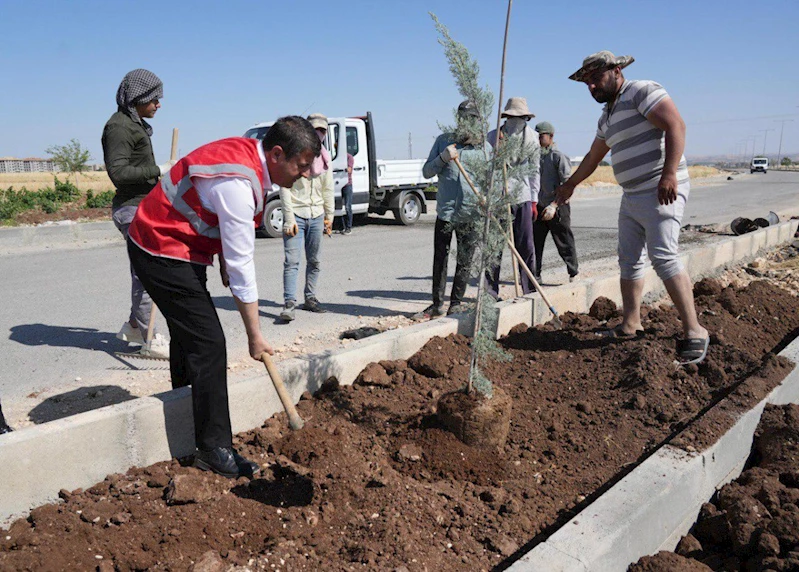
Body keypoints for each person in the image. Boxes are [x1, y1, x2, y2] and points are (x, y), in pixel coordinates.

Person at [127, 116, 321, 478]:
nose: (307, 174)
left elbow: (218, 227)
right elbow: (242, 267)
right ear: (277, 154)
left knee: (192, 335)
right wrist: (255, 335)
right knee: (210, 343)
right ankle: (214, 448)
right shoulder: (239, 183)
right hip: (159, 246)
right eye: (303, 165)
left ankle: (188, 408)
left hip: (181, 244)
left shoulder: (251, 160)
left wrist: (219, 255)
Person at [555, 51, 709, 364]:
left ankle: (695, 330)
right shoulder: (607, 115)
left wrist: (668, 175)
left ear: (616, 71)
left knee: (664, 257)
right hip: (632, 195)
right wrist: (570, 184)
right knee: (628, 259)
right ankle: (630, 323)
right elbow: (593, 157)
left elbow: (675, 126)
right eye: (587, 82)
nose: (592, 87)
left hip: (659, 190)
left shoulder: (641, 91)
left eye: (596, 78)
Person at [102, 69, 173, 358]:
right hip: (131, 208)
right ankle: (148, 335)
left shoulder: (135, 123)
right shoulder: (119, 127)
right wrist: (159, 170)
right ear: (138, 98)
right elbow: (118, 172)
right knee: (146, 273)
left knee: (144, 271)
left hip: (144, 206)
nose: (159, 104)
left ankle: (134, 325)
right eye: (154, 98)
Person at [415, 100, 485, 319]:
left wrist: (487, 198)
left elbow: (492, 179)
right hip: (446, 212)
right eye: (464, 118)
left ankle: (456, 303)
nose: (467, 123)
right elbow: (427, 172)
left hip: (471, 213)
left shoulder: (484, 148)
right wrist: (443, 158)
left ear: (477, 120)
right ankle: (436, 304)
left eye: (472, 119)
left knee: (465, 260)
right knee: (440, 259)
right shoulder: (443, 141)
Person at [278, 113, 335, 321]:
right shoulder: (294, 155)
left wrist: (329, 216)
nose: (318, 135)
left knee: (315, 260)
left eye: (322, 131)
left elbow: (328, 190)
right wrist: (289, 218)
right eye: (314, 130)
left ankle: (310, 299)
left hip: (317, 214)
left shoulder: (325, 159)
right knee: (292, 261)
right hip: (297, 214)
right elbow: (284, 187)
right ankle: (289, 303)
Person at [485, 97, 540, 298]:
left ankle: (529, 289)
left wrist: (534, 199)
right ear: (506, 117)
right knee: (493, 248)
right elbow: (486, 169)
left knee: (525, 246)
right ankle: (490, 293)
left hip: (523, 196)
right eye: (513, 117)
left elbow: (535, 170)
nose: (517, 121)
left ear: (526, 117)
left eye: (521, 118)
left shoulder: (533, 138)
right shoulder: (493, 137)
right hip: (499, 197)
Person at [534, 121, 578, 283]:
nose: (538, 139)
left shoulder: (558, 157)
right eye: (536, 136)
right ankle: (535, 275)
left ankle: (573, 272)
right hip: (539, 206)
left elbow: (567, 186)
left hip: (558, 207)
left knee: (563, 240)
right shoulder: (535, 157)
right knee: (535, 243)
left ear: (551, 136)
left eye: (541, 136)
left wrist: (554, 205)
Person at [340, 152, 355, 235]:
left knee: (347, 206)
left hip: (347, 184)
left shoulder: (349, 157)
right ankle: (342, 226)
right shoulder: (338, 156)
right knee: (339, 207)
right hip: (339, 184)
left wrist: (340, 166)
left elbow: (349, 170)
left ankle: (349, 227)